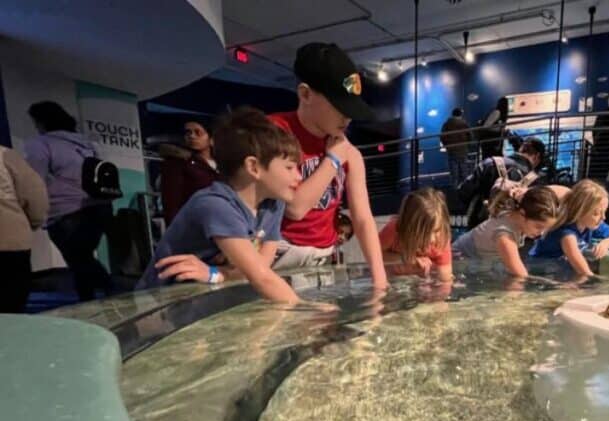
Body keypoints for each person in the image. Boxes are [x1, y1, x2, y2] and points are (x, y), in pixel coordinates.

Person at [137, 107, 302, 303]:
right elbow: (262, 279)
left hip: (205, 296)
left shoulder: (273, 204)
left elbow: (261, 269)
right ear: (254, 167)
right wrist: (309, 315)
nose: (298, 176)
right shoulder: (216, 205)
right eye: (289, 167)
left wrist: (216, 273)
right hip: (160, 304)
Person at [268, 42, 387, 289]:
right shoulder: (273, 132)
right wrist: (333, 160)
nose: (347, 117)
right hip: (280, 260)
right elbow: (295, 208)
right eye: (339, 107)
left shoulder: (347, 151)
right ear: (305, 94)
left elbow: (363, 219)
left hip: (325, 261)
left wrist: (380, 281)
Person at [24, 101, 114, 301]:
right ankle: (99, 301)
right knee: (83, 259)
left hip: (66, 211)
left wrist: (32, 211)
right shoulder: (88, 144)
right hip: (100, 206)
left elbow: (33, 180)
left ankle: (113, 296)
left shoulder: (41, 144)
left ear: (41, 121)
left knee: (79, 260)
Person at [452, 185, 560, 277]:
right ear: (522, 214)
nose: (541, 233)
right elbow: (520, 275)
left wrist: (527, 192)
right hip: (456, 263)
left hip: (474, 261)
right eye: (539, 227)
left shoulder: (512, 214)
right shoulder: (505, 235)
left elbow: (566, 193)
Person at [529, 179, 609, 276]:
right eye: (596, 213)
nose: (603, 217)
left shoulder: (589, 224)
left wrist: (605, 243)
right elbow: (584, 271)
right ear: (581, 211)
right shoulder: (567, 234)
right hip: (542, 270)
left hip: (559, 267)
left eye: (604, 211)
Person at [457, 136, 546, 229]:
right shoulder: (538, 181)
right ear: (537, 156)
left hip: (481, 227)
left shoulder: (490, 163)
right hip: (514, 233)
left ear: (521, 149)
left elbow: (464, 191)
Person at [0, 145, 49, 313]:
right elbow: (34, 195)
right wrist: (34, 222)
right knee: (11, 306)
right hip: (8, 243)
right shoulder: (5, 156)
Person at [378, 187, 453, 281]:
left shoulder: (441, 240)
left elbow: (445, 278)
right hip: (394, 279)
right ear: (408, 227)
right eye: (424, 233)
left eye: (436, 230)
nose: (432, 239)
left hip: (424, 281)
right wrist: (405, 259)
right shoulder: (394, 230)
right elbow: (375, 254)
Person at [159, 119, 218, 225]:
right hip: (193, 226)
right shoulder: (177, 162)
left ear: (211, 139)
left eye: (198, 132)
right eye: (188, 133)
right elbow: (171, 202)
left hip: (222, 223)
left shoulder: (224, 164)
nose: (192, 136)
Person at [440, 108, 472, 187]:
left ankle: (454, 193)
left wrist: (447, 146)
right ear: (460, 114)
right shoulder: (464, 123)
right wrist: (467, 145)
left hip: (452, 151)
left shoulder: (447, 124)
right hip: (463, 151)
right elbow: (470, 136)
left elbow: (442, 136)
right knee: (464, 173)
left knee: (454, 175)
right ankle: (465, 191)